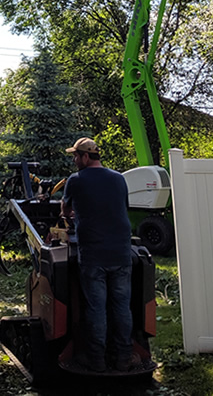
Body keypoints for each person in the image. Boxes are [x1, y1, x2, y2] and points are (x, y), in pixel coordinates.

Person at [61, 137, 136, 373]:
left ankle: (96, 360)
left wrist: (71, 214)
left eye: (76, 156)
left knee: (96, 308)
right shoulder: (119, 179)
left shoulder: (76, 180)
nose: (74, 160)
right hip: (122, 252)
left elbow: (65, 209)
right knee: (122, 306)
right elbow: (121, 207)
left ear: (85, 156)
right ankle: (124, 357)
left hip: (93, 255)